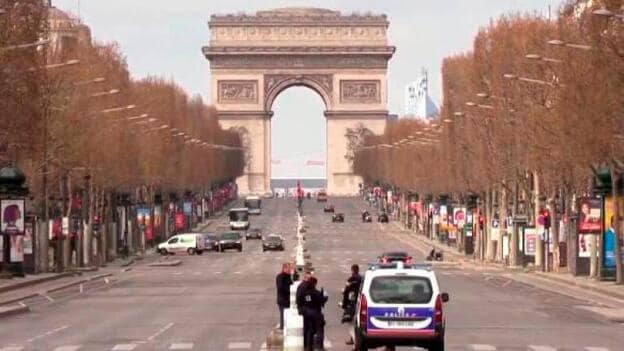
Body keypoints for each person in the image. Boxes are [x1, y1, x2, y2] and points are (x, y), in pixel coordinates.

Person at [300, 276, 328, 351]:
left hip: (307, 312)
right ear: (314, 284)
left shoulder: (305, 293)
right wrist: (325, 297)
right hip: (316, 312)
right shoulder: (315, 293)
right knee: (319, 329)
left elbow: (301, 301)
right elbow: (321, 301)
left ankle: (309, 346)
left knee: (310, 330)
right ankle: (319, 346)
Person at [276, 263, 293, 329]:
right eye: (289, 268)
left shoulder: (288, 276)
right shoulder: (281, 277)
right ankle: (282, 329)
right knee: (283, 316)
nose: (290, 270)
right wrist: (289, 290)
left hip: (287, 300)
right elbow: (280, 288)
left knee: (286, 316)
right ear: (284, 269)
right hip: (283, 300)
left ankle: (285, 328)